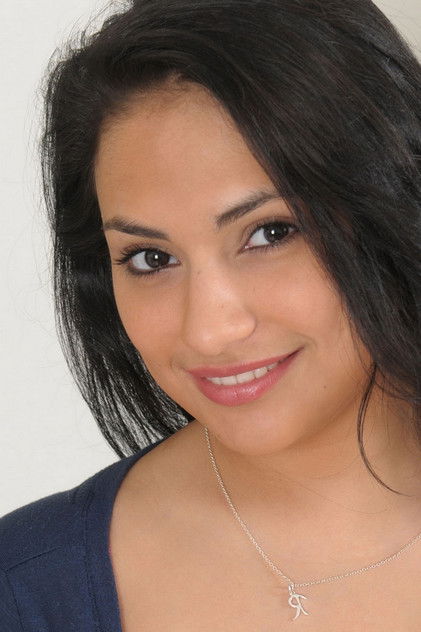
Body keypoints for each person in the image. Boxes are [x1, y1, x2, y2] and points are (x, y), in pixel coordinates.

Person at [1, 0, 420, 629]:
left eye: (270, 233)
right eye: (151, 259)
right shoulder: (28, 590)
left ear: (392, 204)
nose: (210, 331)